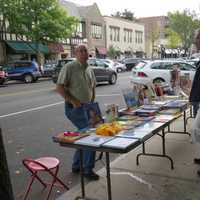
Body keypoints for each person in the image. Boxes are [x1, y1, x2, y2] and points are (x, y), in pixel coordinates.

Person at [56, 44, 99, 181]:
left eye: (86, 50)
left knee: (83, 133)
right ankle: (87, 169)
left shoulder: (89, 69)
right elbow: (59, 87)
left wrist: (92, 104)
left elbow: (92, 87)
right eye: (81, 50)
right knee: (91, 135)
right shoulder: (69, 67)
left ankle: (76, 165)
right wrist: (73, 101)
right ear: (76, 54)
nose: (84, 52)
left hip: (88, 107)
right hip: (74, 108)